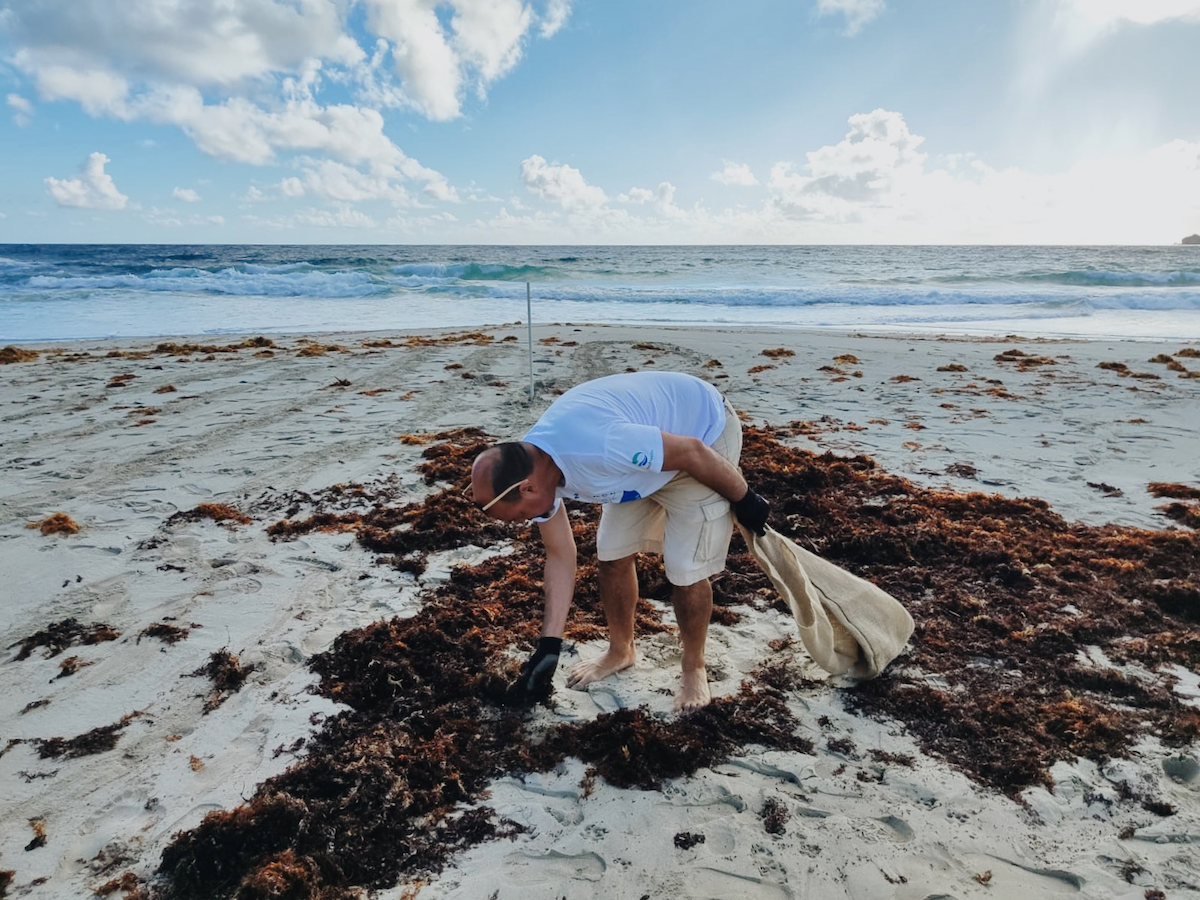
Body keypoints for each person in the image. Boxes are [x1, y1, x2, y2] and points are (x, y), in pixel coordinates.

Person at [466, 371, 770, 713]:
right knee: (611, 555)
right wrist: (548, 646)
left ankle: (693, 667)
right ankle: (621, 650)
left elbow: (692, 453)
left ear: (527, 489)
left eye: (515, 516)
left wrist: (746, 500)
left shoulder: (602, 446)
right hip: (643, 456)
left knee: (685, 570)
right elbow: (560, 555)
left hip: (702, 436)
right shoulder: (534, 468)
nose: (522, 522)